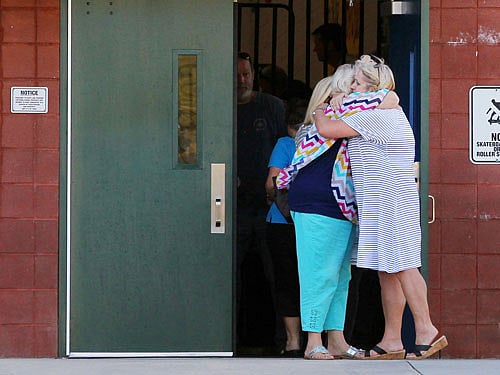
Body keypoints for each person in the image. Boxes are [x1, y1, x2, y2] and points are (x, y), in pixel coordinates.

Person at [313, 55, 448, 360]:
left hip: (391, 200)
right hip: (379, 201)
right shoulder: (374, 111)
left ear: (373, 88)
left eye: (358, 83)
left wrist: (323, 106)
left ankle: (426, 328)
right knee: (387, 271)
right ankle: (392, 338)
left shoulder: (375, 115)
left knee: (403, 264)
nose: (352, 89)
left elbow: (325, 128)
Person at [236, 51, 288, 352]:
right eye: (236, 74)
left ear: (254, 75)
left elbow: (288, 149)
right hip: (228, 209)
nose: (241, 80)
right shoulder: (219, 106)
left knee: (277, 275)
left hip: (270, 209)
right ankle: (223, 341)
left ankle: (285, 342)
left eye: (246, 73)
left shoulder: (271, 107)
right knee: (227, 277)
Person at [264, 97, 308, 357]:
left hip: (281, 221)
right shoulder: (326, 142)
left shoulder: (285, 144)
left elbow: (272, 182)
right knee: (317, 280)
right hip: (315, 220)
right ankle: (321, 338)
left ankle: (293, 342)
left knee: (286, 280)